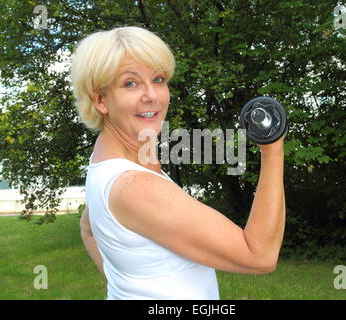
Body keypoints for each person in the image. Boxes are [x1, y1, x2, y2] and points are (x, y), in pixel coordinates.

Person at [71, 26, 286, 300]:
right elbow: (260, 255)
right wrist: (272, 149)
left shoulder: (107, 162)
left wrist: (124, 288)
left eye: (158, 79)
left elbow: (88, 228)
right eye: (130, 83)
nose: (152, 95)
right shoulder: (135, 186)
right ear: (100, 99)